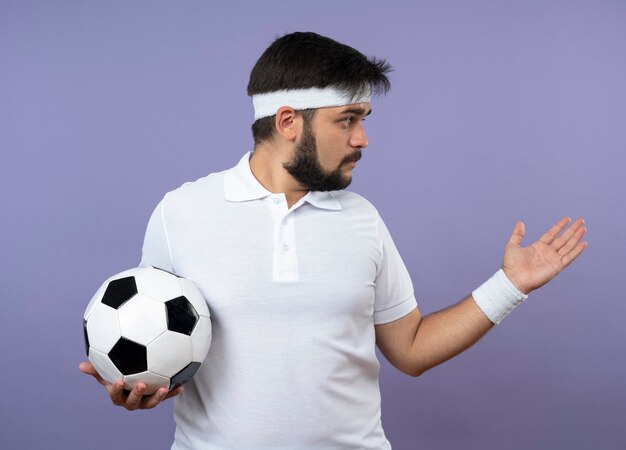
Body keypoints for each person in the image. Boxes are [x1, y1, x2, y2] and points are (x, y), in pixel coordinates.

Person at [80, 31, 587, 449]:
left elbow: (410, 349)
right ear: (287, 122)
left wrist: (510, 285)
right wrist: (142, 389)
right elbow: (159, 346)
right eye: (347, 121)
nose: (362, 139)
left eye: (363, 120)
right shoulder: (181, 213)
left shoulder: (362, 220)